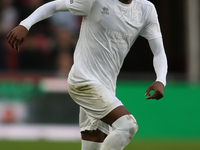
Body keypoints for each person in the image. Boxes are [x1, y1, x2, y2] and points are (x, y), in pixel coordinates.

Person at [7, 0, 168, 149]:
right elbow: (55, 5)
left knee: (93, 144)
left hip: (106, 88)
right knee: (128, 126)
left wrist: (160, 79)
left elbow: (159, 51)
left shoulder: (146, 9)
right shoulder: (94, 1)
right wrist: (25, 24)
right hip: (83, 81)